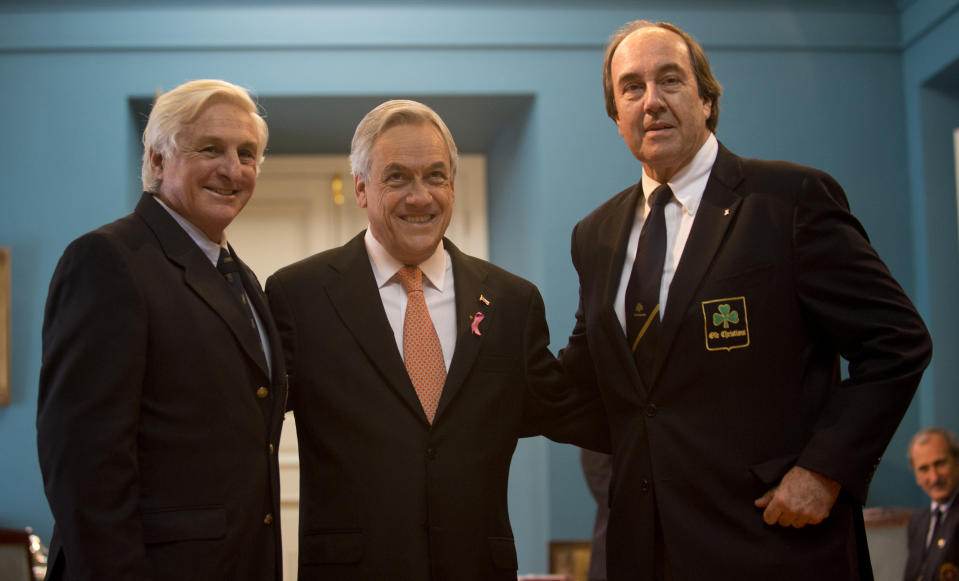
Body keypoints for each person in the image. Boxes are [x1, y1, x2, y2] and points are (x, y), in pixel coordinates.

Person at [559, 20, 933, 580]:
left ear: (707, 99)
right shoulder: (596, 235)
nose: (652, 101)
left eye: (670, 80)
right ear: (616, 116)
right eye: (631, 88)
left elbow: (897, 342)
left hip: (774, 543)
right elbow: (587, 381)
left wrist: (826, 470)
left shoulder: (789, 201)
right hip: (645, 549)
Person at [266, 99, 606, 581]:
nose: (420, 196)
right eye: (397, 177)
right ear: (361, 189)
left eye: (435, 176)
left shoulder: (510, 301)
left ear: (453, 186)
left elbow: (577, 411)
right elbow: (242, 432)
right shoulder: (298, 296)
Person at [37, 79, 286, 580]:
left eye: (247, 153)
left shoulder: (242, 278)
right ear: (156, 160)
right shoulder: (109, 260)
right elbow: (84, 467)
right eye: (210, 148)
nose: (232, 169)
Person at [904, 428, 959, 581]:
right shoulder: (917, 523)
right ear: (916, 476)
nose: (934, 478)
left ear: (957, 461)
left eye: (940, 463)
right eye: (923, 469)